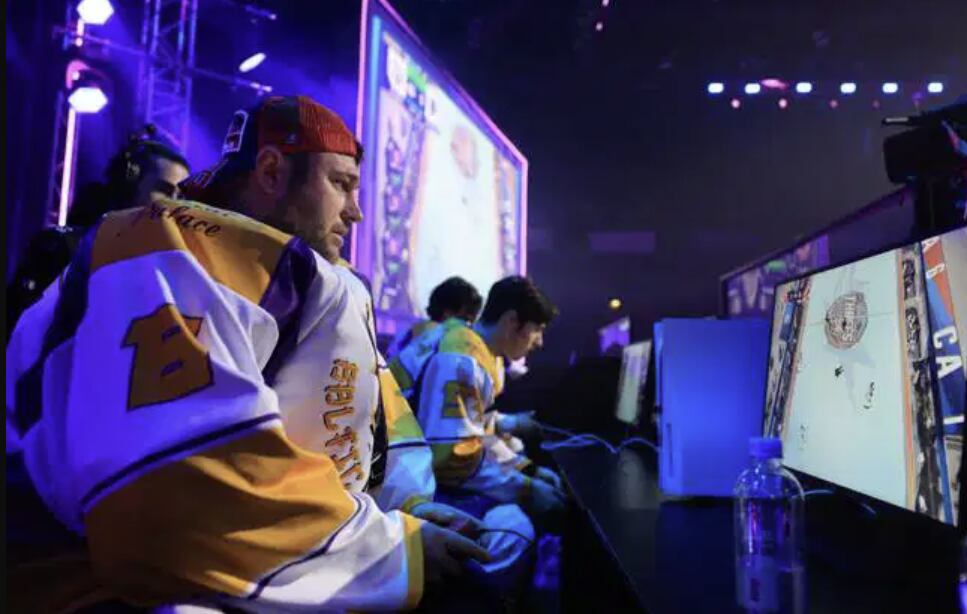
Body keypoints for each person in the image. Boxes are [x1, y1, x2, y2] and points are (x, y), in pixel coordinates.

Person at [6, 95, 487, 612]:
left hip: (209, 560)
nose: (357, 210)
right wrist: (388, 549)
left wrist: (408, 508)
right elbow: (175, 491)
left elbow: (368, 426)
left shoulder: (297, 272)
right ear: (272, 171)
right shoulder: (166, 248)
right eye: (341, 183)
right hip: (80, 583)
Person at [393, 275, 566, 523]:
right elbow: (452, 458)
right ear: (512, 321)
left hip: (406, 460)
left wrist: (526, 469)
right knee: (515, 527)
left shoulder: (470, 343)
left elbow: (474, 433)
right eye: (537, 329)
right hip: (400, 478)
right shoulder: (463, 358)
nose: (540, 341)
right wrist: (526, 489)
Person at [6, 124, 191, 340]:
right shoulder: (64, 247)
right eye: (165, 191)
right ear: (129, 185)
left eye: (181, 197)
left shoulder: (172, 270)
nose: (174, 205)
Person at [387, 275, 482, 360]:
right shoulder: (444, 347)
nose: (470, 329)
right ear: (448, 314)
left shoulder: (404, 336)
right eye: (466, 321)